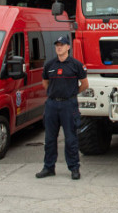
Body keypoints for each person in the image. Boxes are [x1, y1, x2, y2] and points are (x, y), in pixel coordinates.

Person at [36, 35, 88, 180]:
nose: (59, 47)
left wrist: (71, 94)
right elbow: (45, 83)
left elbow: (84, 84)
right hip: (52, 104)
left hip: (68, 105)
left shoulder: (76, 65)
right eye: (57, 45)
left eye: (62, 45)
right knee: (50, 138)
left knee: (71, 139)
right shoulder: (50, 65)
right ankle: (48, 167)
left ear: (68, 47)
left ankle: (74, 168)